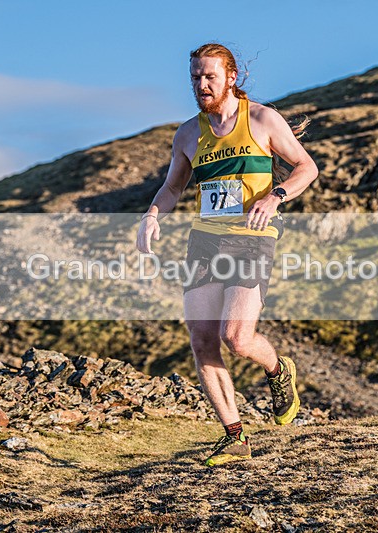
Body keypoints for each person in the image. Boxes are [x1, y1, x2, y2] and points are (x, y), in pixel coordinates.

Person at [135, 43, 319, 466]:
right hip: (205, 241)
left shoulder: (262, 119)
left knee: (236, 337)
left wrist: (276, 196)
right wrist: (151, 215)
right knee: (202, 340)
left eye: (209, 77)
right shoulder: (188, 133)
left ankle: (278, 371)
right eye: (195, 77)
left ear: (231, 78)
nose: (201, 85)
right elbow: (174, 187)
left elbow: (306, 167)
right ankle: (234, 436)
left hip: (252, 237)